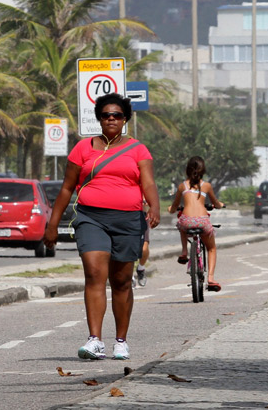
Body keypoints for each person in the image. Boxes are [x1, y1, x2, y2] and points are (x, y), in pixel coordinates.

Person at [43, 93, 160, 361]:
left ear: (125, 119)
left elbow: (149, 182)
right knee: (94, 273)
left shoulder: (138, 149)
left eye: (116, 115)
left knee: (120, 281)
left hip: (128, 220)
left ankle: (121, 341)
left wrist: (154, 206)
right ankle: (94, 340)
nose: (111, 119)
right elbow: (66, 188)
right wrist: (52, 224)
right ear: (98, 118)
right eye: (106, 115)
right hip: (90, 218)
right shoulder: (83, 149)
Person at [168, 156, 224, 291]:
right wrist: (220, 205)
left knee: (181, 224)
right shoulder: (206, 186)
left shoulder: (182, 186)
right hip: (202, 221)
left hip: (187, 221)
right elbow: (216, 203)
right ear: (203, 171)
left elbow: (174, 207)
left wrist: (171, 209)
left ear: (187, 170)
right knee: (211, 248)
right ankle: (210, 278)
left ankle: (184, 251)